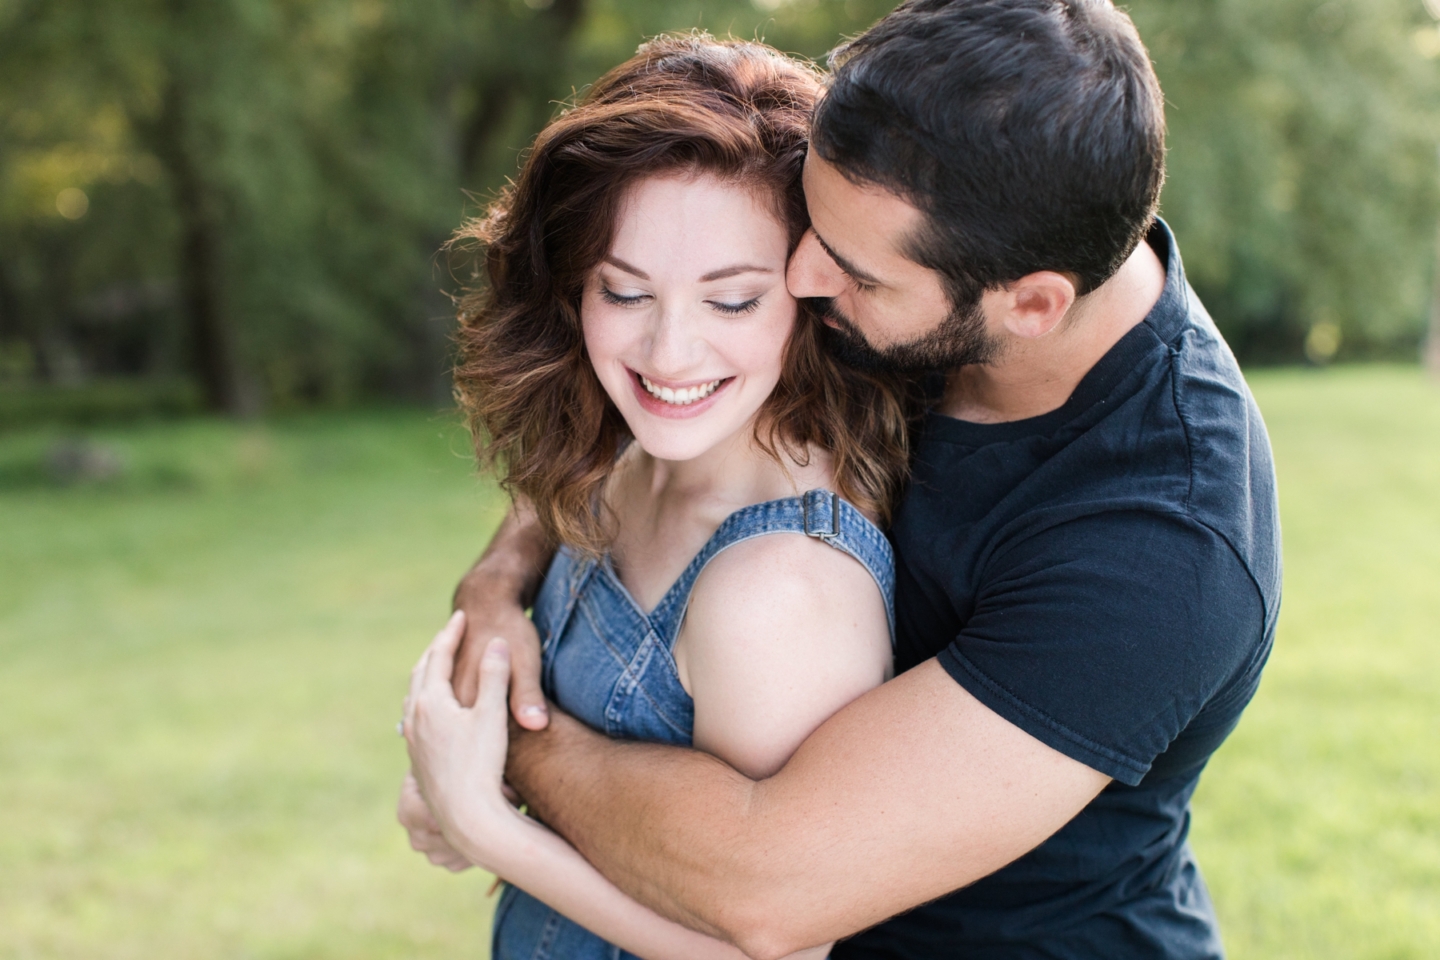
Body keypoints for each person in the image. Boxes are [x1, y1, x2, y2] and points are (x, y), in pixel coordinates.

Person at [406, 1, 1282, 957]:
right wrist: (494, 592)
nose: (803, 275)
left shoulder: (1162, 551)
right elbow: (644, 410)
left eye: (852, 272)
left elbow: (768, 890)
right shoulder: (914, 241)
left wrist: (495, 744)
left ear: (1032, 304)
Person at [402, 34, 919, 960]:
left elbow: (781, 947)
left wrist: (486, 822)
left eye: (731, 302)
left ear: (810, 293)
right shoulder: (627, 452)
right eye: (626, 292)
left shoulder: (780, 589)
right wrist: (487, 601)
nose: (669, 355)